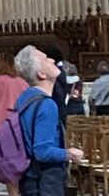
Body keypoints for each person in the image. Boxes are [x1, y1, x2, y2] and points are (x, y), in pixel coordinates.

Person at [13, 45, 83, 196]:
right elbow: (42, 151)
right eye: (45, 59)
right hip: (45, 181)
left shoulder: (25, 98)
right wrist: (69, 153)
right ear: (41, 73)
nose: (51, 60)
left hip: (29, 178)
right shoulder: (46, 105)